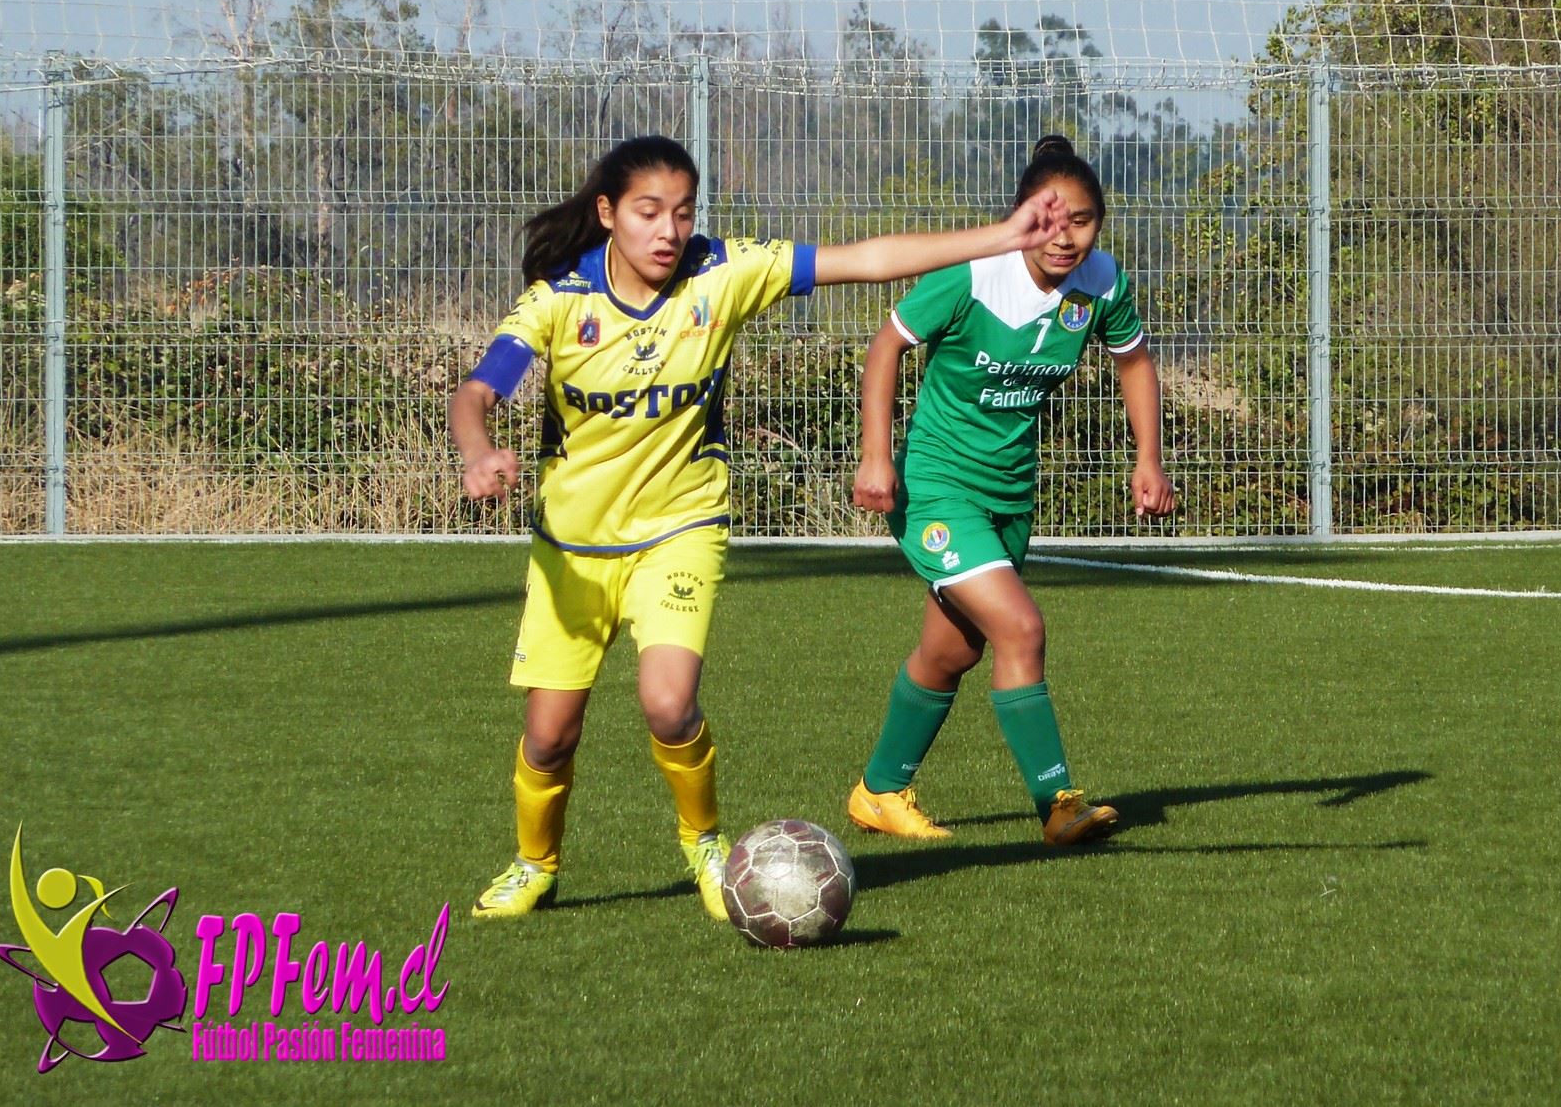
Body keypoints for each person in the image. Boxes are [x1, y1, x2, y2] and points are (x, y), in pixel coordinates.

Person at [451, 134, 1071, 920]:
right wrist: (478, 452)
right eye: (648, 213)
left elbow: (865, 259)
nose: (669, 230)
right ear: (608, 215)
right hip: (572, 552)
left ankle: (707, 847)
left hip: (682, 528)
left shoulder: (723, 272)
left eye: (682, 211)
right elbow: (476, 394)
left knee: (669, 705)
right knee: (548, 739)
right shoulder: (559, 301)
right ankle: (534, 864)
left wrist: (1004, 236)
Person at [847, 134, 1175, 847]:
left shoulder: (1101, 284)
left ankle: (878, 791)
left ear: (1100, 223)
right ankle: (1059, 804)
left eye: (1082, 220)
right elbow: (886, 346)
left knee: (952, 653)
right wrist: (878, 457)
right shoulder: (971, 276)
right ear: (1022, 215)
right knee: (1021, 629)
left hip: (1010, 495)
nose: (1065, 237)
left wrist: (1148, 459)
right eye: (1049, 219)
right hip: (936, 489)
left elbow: (1137, 364)